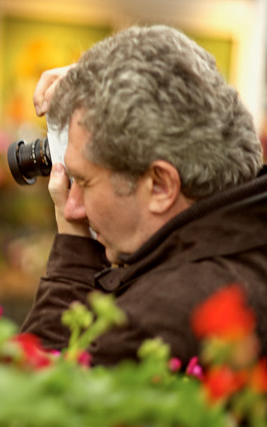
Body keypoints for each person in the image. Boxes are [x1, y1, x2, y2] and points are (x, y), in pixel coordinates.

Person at [20, 25, 267, 366]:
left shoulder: (153, 320)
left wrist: (73, 255)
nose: (72, 207)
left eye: (84, 181)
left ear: (160, 186)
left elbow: (28, 405)